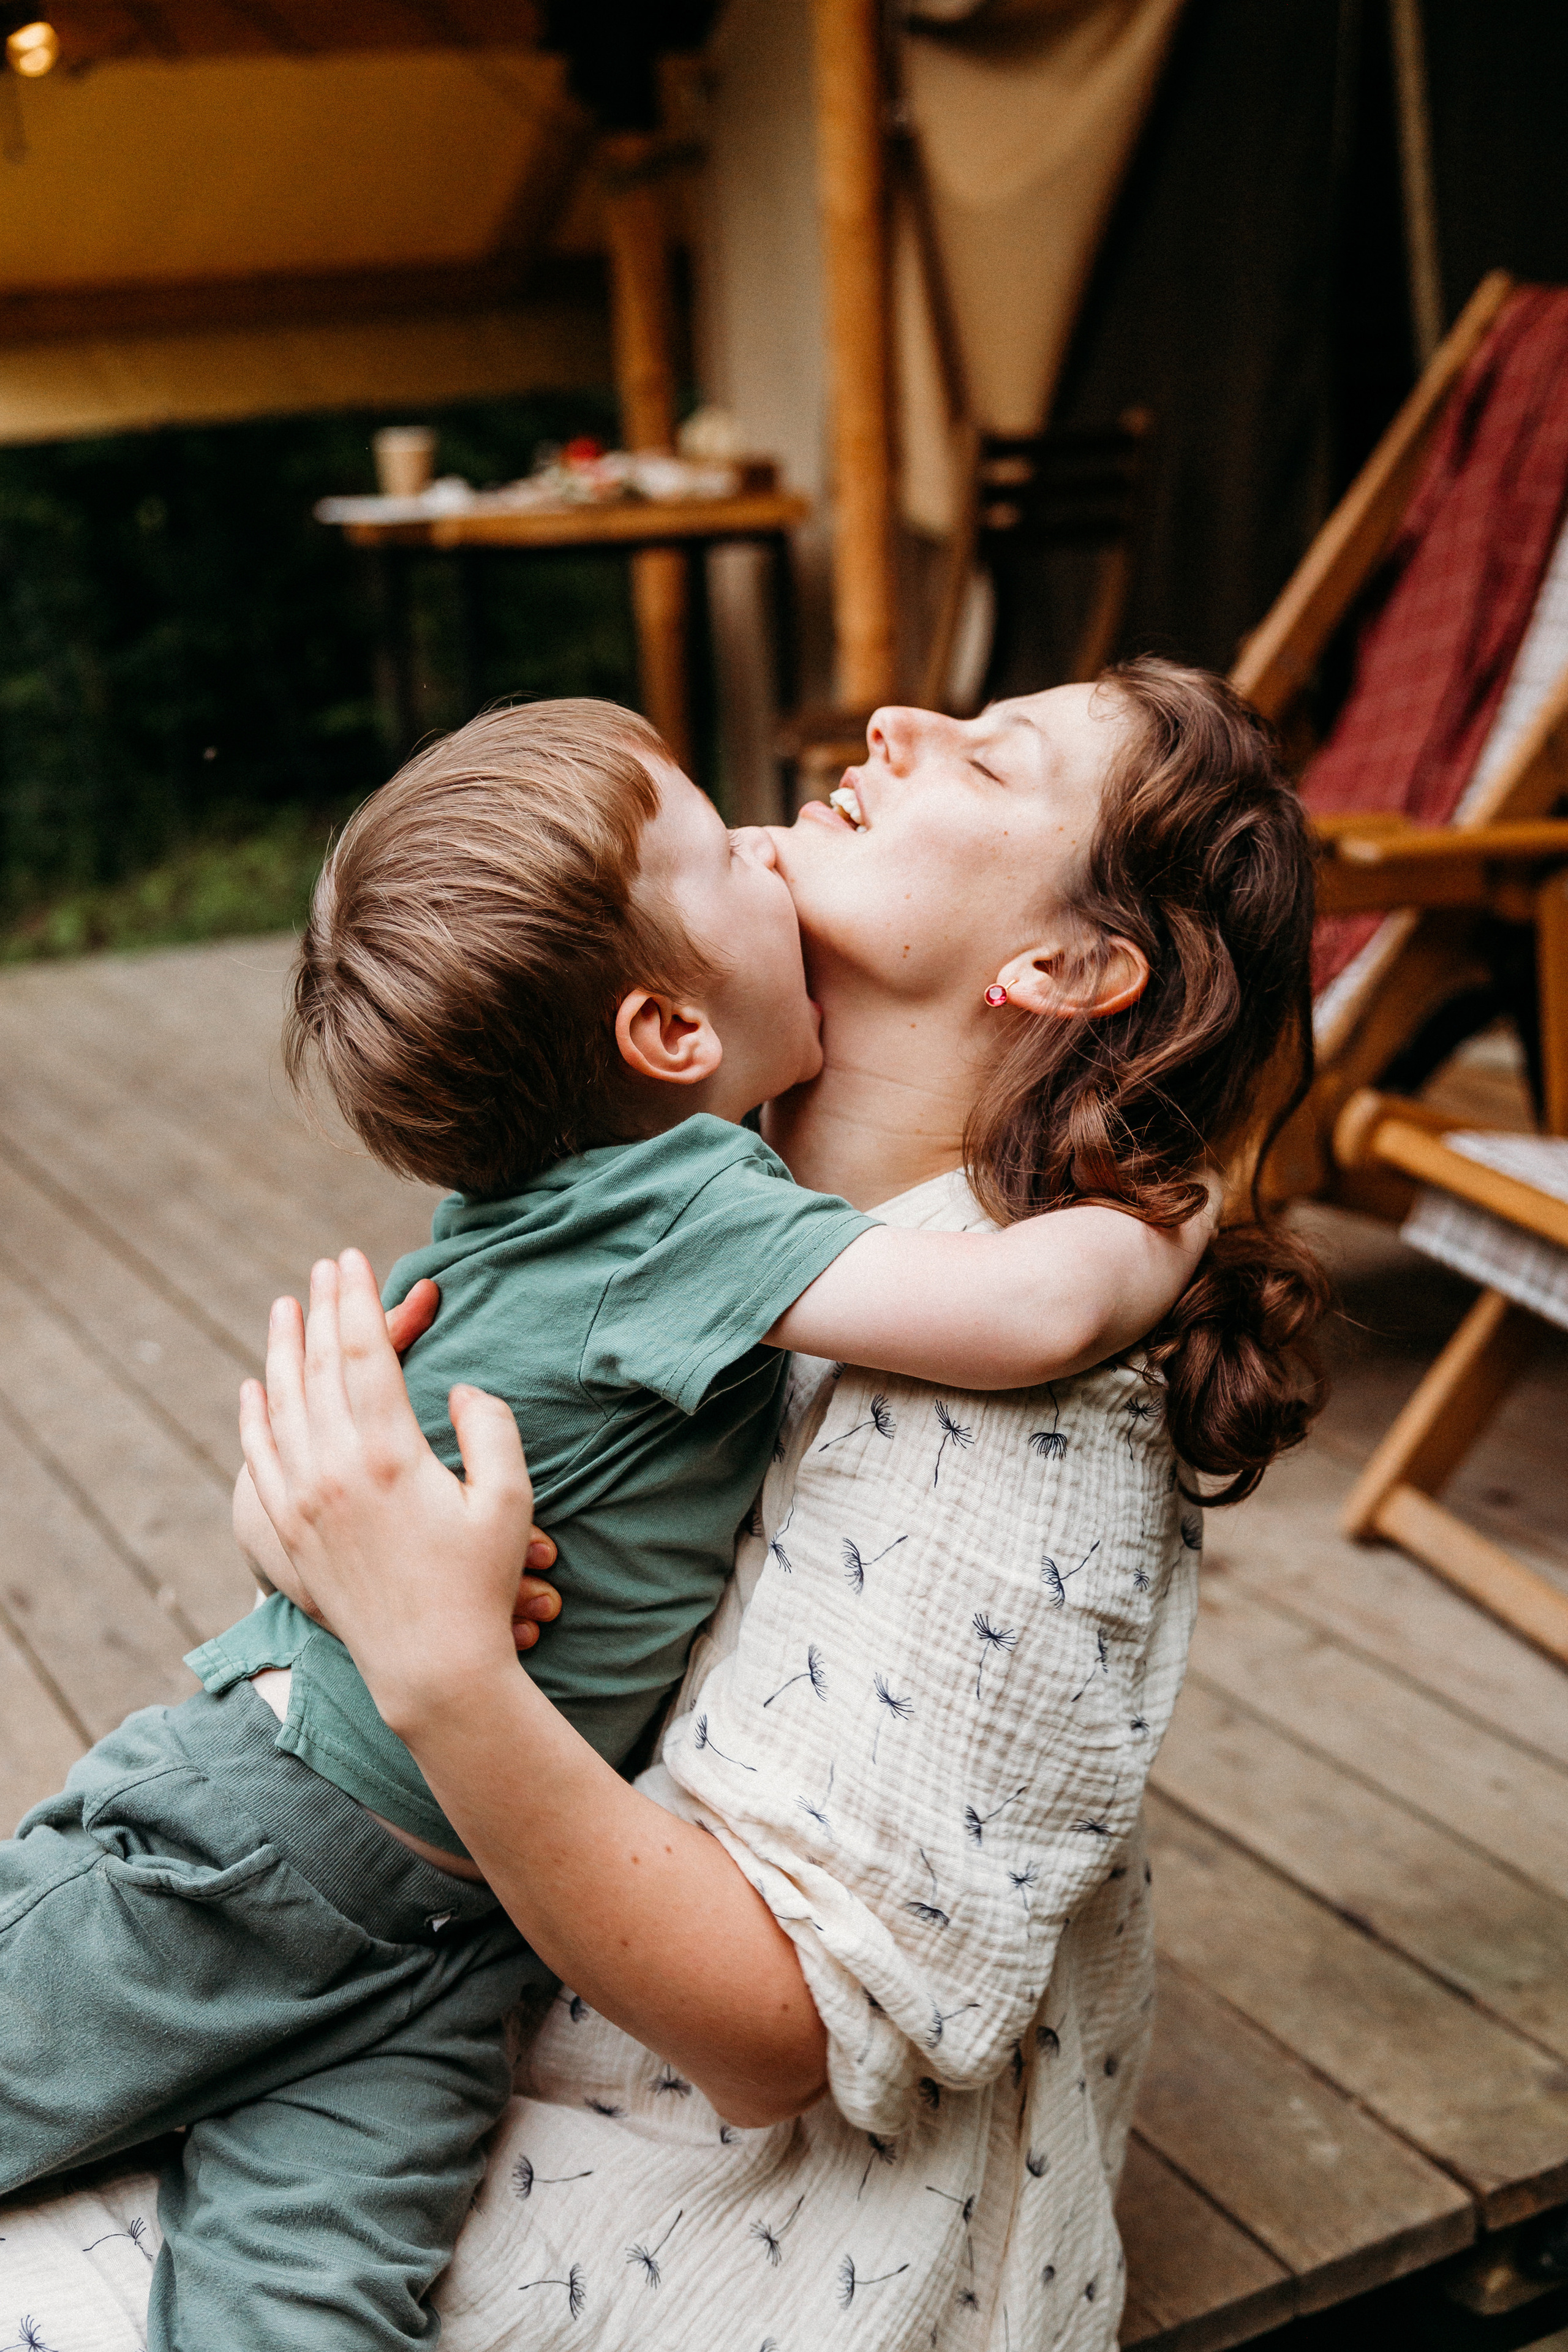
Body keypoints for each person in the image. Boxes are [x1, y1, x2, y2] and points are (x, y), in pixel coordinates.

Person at [0, 698, 1216, 2351]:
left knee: (303, 2304)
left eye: (991, 759)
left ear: (1069, 970)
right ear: (660, 1034)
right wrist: (1176, 1213)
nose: (884, 723)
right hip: (268, 1846)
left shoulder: (700, 1204)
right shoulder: (687, 1203)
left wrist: (399, 1615)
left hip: (443, 1944)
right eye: (731, 844)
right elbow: (1031, 1307)